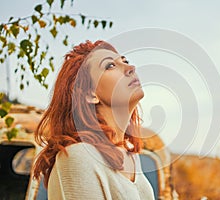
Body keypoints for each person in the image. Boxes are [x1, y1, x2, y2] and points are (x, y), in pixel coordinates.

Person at [33, 40, 155, 200]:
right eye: (110, 66)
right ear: (90, 94)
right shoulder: (77, 156)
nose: (131, 68)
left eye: (125, 61)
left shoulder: (131, 156)